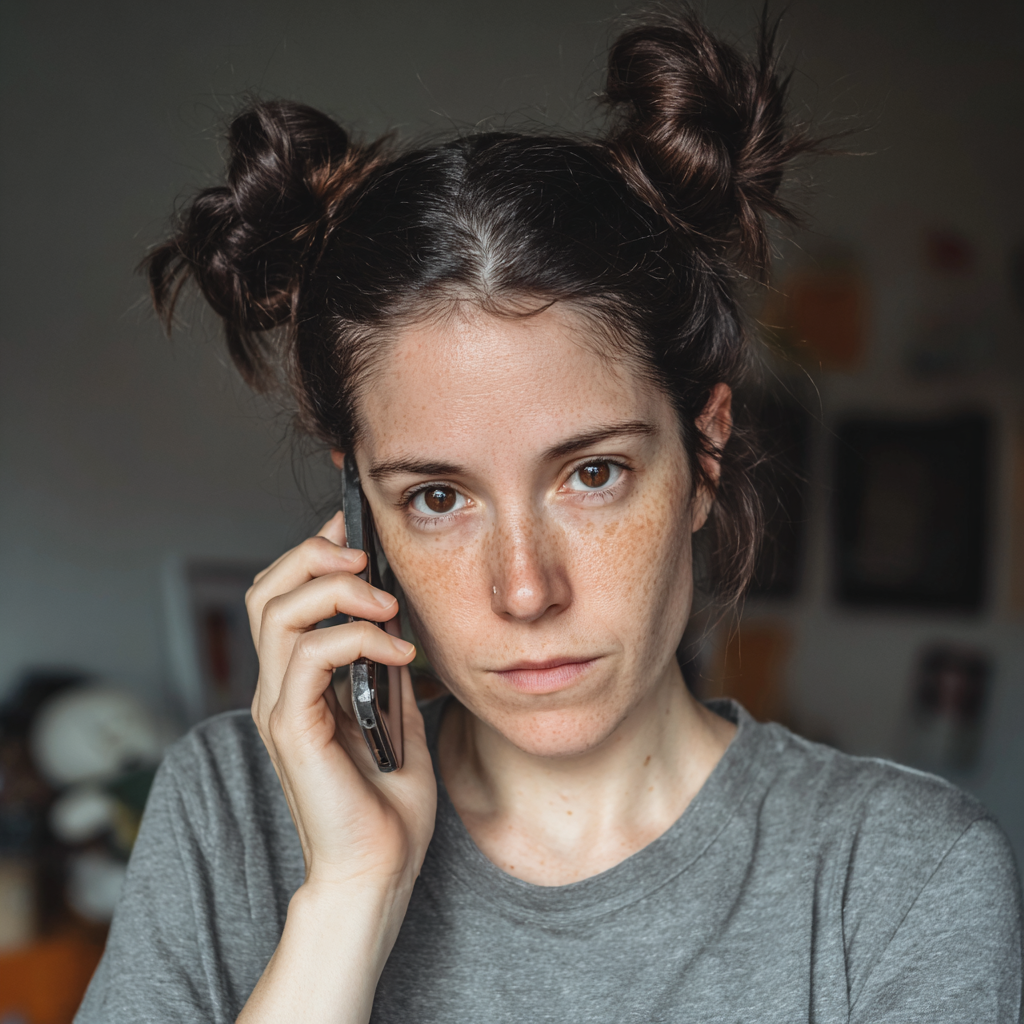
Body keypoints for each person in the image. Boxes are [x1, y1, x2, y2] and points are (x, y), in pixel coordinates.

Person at [75, 10, 1022, 1024]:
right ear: (362, 511)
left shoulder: (901, 876)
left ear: (703, 455)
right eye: (437, 498)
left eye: (593, 474)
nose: (525, 589)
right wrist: (351, 896)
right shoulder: (231, 812)